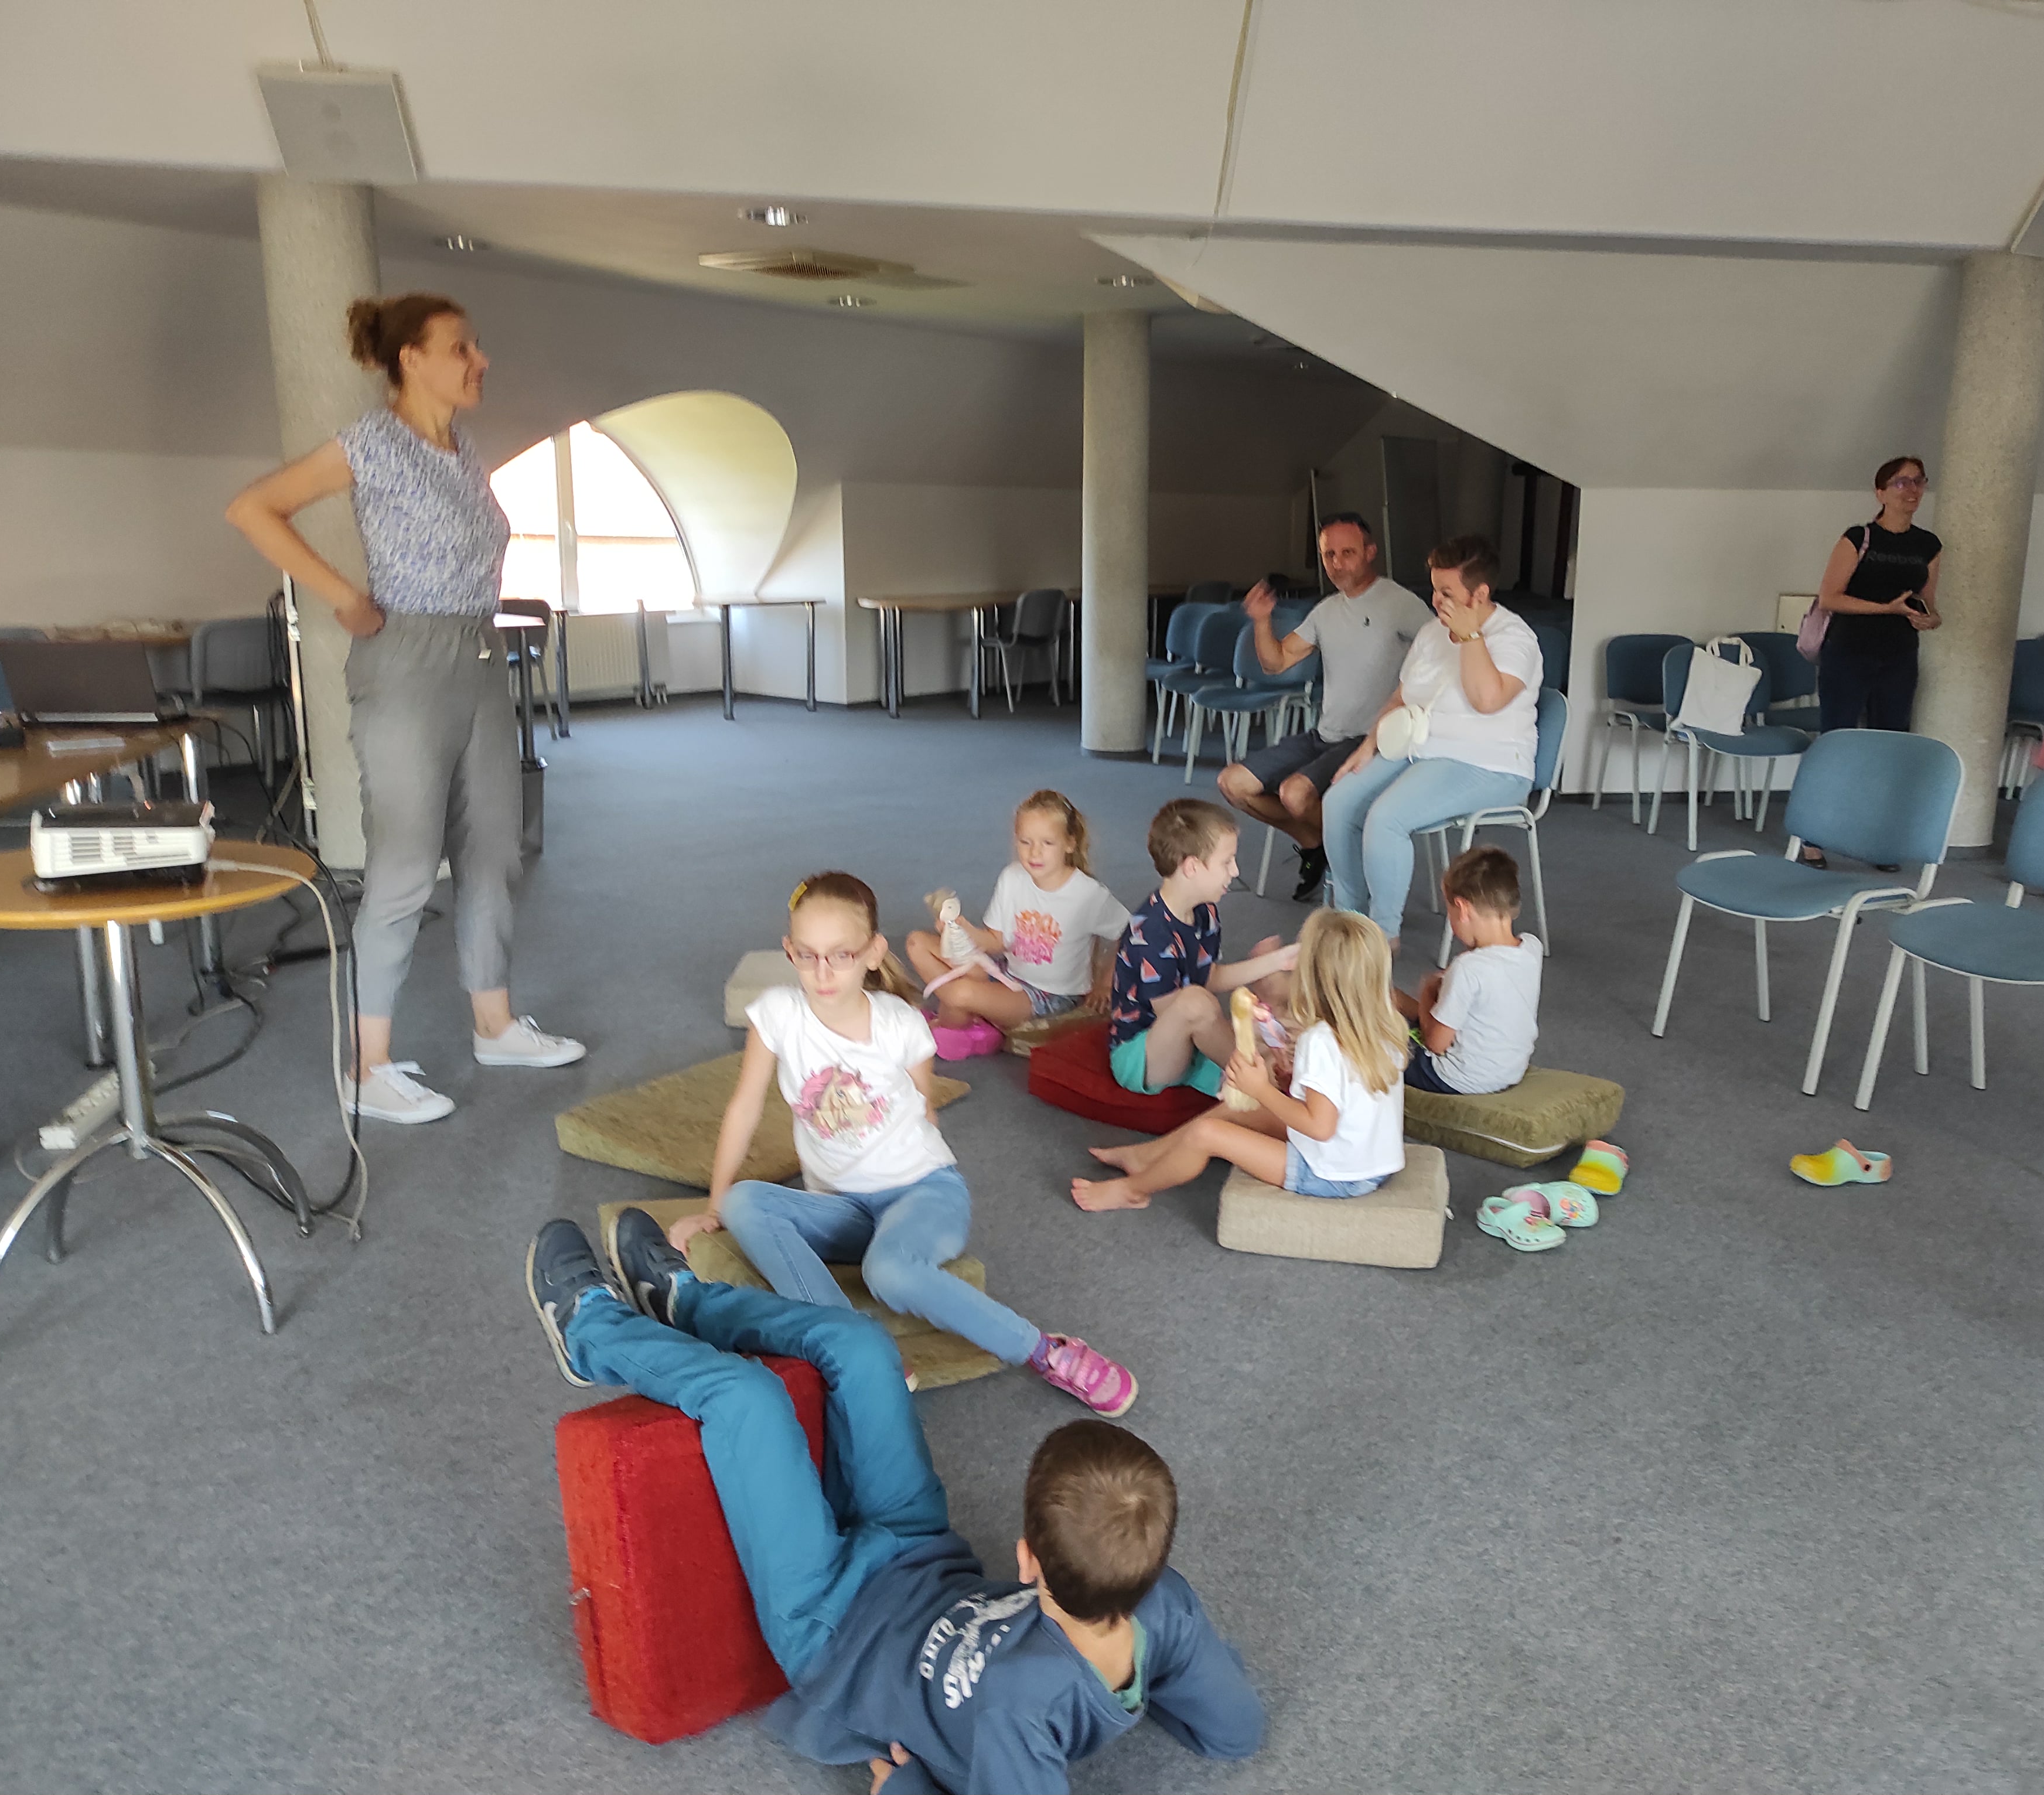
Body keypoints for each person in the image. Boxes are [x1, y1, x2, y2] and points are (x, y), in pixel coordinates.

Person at [527, 1213, 1266, 1794]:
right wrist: (1137, 1686)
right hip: (923, 1556)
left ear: (1027, 1560)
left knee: (745, 1399)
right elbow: (1235, 1732)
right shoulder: (1165, 1604)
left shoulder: (1018, 1710)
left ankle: (589, 1330)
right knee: (861, 1346)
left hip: (832, 1628)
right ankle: (685, 1302)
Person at [224, 292, 582, 1124]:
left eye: (477, 347)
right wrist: (342, 596)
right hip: (407, 661)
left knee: (493, 849)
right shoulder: (372, 443)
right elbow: (253, 508)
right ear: (411, 359)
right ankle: (368, 1067)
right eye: (462, 348)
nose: (480, 361)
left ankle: (494, 1025)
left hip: (480, 654)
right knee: (405, 866)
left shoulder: (465, 451)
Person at [674, 872, 1137, 1416]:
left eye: (841, 955)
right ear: (789, 951)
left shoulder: (899, 1023)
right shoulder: (777, 1013)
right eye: (807, 955)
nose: (822, 972)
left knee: (889, 1271)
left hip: (923, 1192)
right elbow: (745, 1107)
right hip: (841, 1209)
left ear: (873, 953)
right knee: (744, 1202)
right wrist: (714, 1207)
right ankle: (861, 1346)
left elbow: (925, 1111)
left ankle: (1045, 1351)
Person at [1073, 909, 1407, 1213]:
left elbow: (1320, 1127)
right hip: (1372, 1164)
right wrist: (1288, 1077)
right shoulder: (1385, 1024)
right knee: (1239, 1109)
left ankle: (1132, 1191)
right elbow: (1343, 1096)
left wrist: (1261, 1089)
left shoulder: (1321, 1040)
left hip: (1331, 1174)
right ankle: (1146, 1156)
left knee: (1206, 1134)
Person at [1320, 535, 1542, 943]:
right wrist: (1368, 747)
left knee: (1386, 819)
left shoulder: (1515, 638)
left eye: (1447, 593)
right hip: (1420, 749)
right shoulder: (1431, 632)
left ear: (1480, 594)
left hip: (1489, 763)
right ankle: (1349, 920)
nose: (1436, 600)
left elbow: (1487, 701)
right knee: (1338, 802)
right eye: (1435, 589)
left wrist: (1471, 638)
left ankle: (1382, 937)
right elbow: (1400, 697)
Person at [1216, 514, 1431, 900]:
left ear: (1370, 552)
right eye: (1329, 555)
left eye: (1348, 553)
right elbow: (1276, 663)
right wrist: (1263, 621)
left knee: (1295, 795)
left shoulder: (1400, 603)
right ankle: (1318, 844)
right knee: (1233, 784)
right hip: (1325, 735)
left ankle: (1351, 857)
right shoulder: (1326, 610)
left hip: (1371, 740)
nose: (1337, 563)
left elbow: (1442, 654)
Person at [1106, 800, 1299, 1100]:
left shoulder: (1204, 910)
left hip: (1187, 1036)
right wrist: (1241, 1036)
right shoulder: (1152, 934)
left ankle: (1259, 1071)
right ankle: (1265, 1086)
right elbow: (1183, 1013)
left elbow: (1210, 977)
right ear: (1192, 867)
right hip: (1143, 1055)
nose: (1235, 871)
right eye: (1227, 862)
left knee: (1251, 1016)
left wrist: (1280, 960)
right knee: (1201, 1005)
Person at [903, 791, 1130, 1042]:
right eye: (1026, 842)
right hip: (1006, 973)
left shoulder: (1089, 894)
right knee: (917, 942)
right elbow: (996, 941)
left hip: (1050, 996)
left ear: (1070, 843)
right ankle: (969, 1013)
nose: (1035, 853)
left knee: (960, 994)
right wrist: (961, 929)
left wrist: (1105, 984)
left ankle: (952, 1022)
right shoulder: (1012, 877)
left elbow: (1132, 932)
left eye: (1047, 843)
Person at [1390, 846, 1541, 1096]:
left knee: (1371, 1038)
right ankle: (1388, 999)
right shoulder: (1532, 947)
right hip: (1509, 1070)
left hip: (1455, 1077)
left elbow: (1436, 1044)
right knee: (1397, 1001)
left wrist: (1428, 991)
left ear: (1462, 909)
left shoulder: (1468, 969)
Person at [1813, 455, 1941, 733]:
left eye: (1918, 481)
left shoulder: (1929, 545)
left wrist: (1931, 620)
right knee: (1839, 734)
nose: (1912, 490)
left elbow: (1929, 604)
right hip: (1848, 651)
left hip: (1900, 655)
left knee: (1891, 735)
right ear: (1880, 493)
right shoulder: (1858, 538)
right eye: (1901, 483)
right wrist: (1887, 609)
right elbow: (1830, 598)